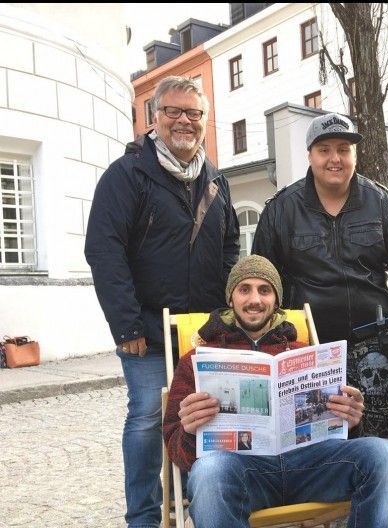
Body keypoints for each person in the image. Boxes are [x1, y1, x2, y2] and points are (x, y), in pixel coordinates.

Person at [84, 76, 240, 527]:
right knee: (148, 418)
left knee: (205, 416)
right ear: (154, 118)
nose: (183, 121)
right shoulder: (128, 174)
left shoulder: (217, 180)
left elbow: (230, 246)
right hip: (146, 329)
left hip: (204, 329)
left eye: (193, 113)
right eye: (173, 111)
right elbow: (104, 249)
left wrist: (224, 313)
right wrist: (127, 325)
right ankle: (144, 516)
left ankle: (202, 503)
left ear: (205, 122)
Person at [163, 255, 388, 528]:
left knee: (385, 455)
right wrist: (188, 430)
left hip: (310, 468)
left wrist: (349, 420)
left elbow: (338, 434)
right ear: (231, 298)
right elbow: (176, 450)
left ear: (276, 300)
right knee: (208, 471)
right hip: (244, 473)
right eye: (245, 289)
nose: (255, 299)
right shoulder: (197, 360)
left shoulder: (307, 353)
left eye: (264, 290)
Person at [252, 112, 388, 438]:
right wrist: (276, 336)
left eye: (343, 149)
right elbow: (262, 277)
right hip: (308, 350)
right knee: (315, 438)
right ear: (310, 155)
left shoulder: (380, 202)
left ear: (354, 154)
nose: (335, 159)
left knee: (378, 438)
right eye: (324, 149)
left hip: (374, 345)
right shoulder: (281, 209)